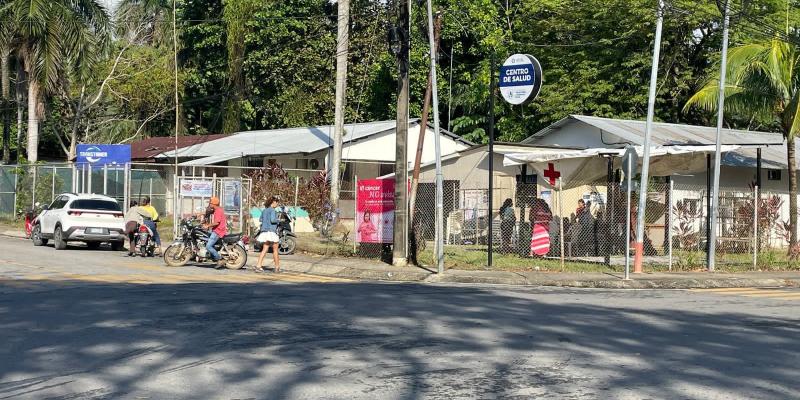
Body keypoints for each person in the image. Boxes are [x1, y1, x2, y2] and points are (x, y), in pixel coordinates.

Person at [255, 196, 280, 272]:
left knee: (264, 249)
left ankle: (258, 265)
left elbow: (260, 219)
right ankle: (277, 267)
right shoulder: (273, 210)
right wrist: (279, 220)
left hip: (264, 231)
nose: (277, 204)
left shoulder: (264, 210)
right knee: (275, 249)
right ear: (274, 202)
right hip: (271, 231)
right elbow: (273, 220)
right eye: (277, 202)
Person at [204, 196, 227, 268]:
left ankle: (219, 259)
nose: (209, 204)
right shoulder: (217, 209)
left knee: (208, 246)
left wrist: (207, 226)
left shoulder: (218, 211)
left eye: (210, 203)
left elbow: (217, 222)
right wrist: (200, 214)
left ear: (213, 204)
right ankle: (212, 256)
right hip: (217, 230)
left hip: (218, 231)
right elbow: (209, 212)